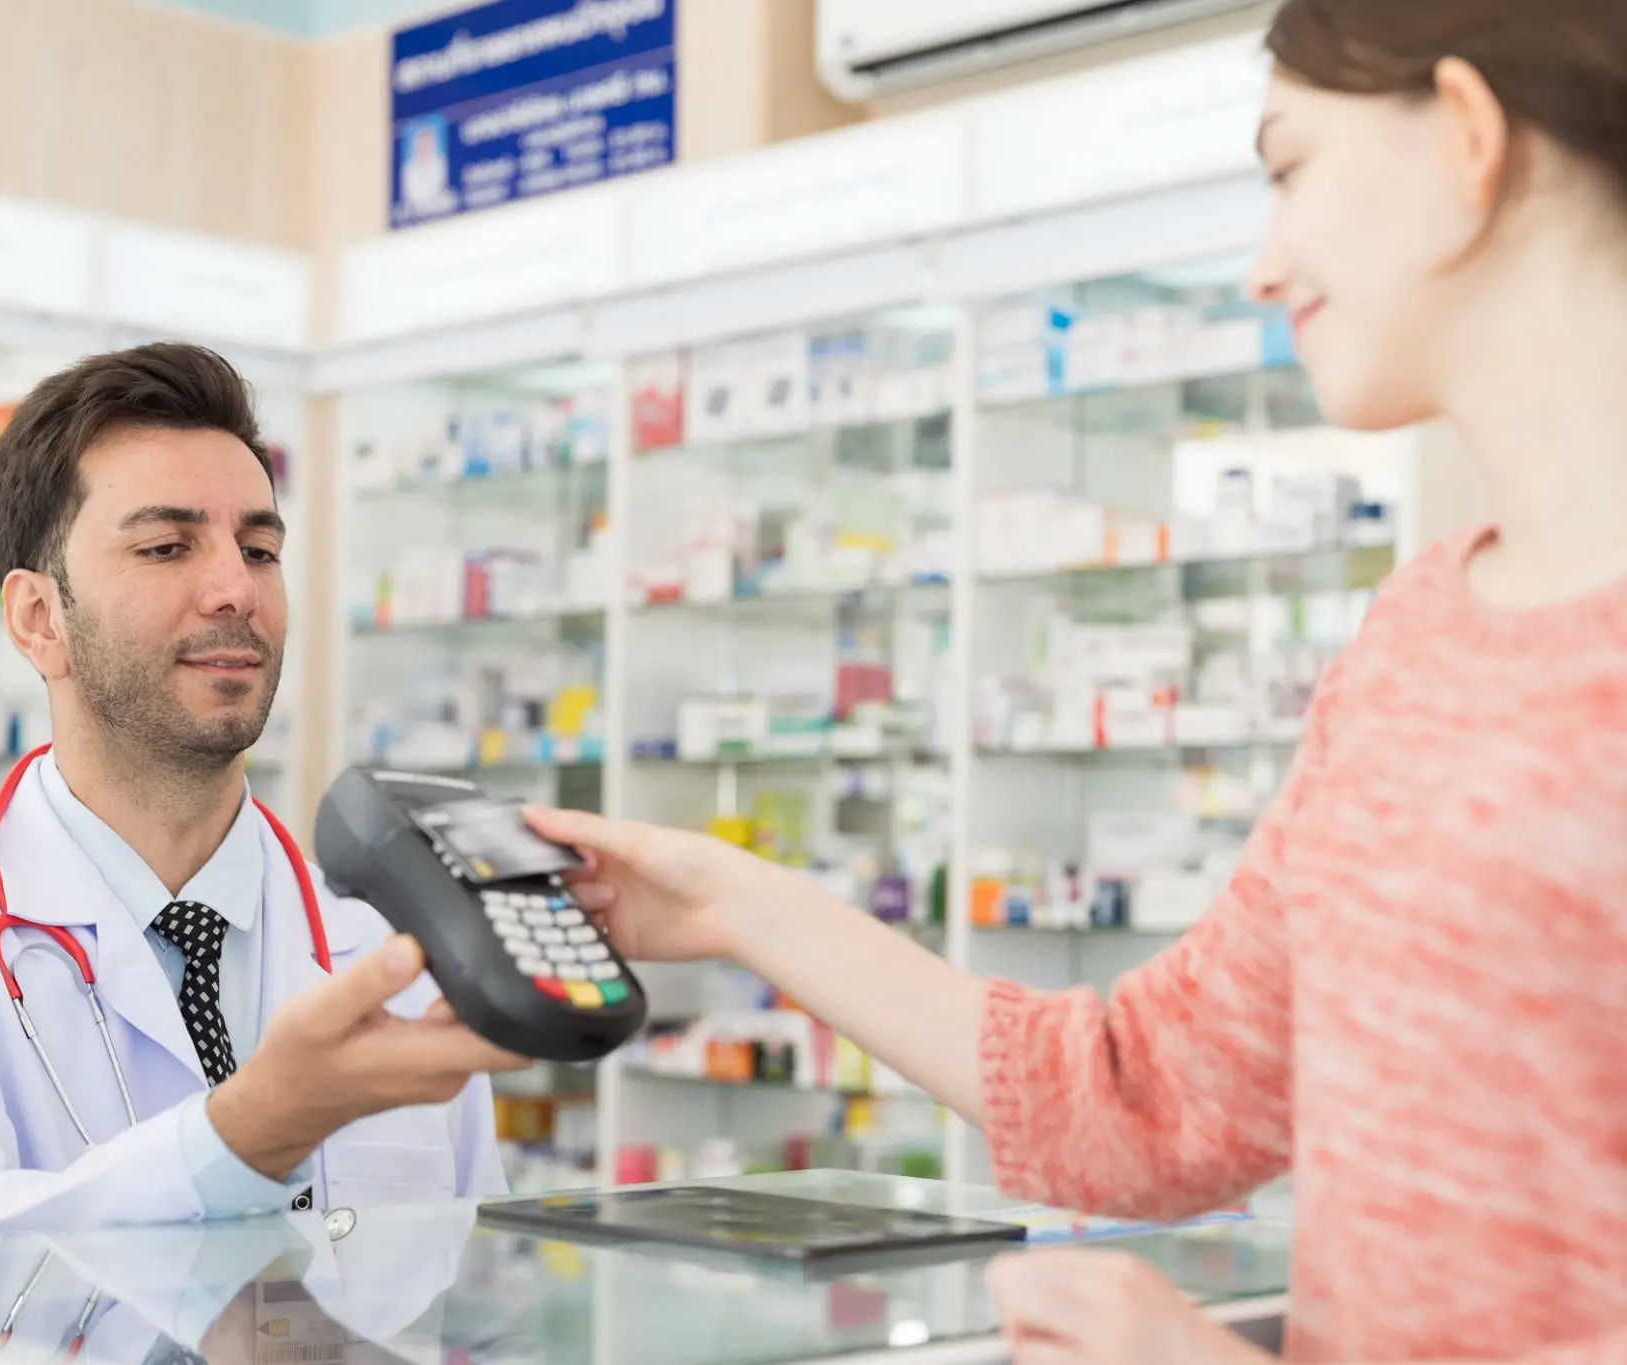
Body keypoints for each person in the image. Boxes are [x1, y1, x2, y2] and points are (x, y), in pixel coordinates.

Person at [529, 2, 1627, 1361]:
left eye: (1289, 169)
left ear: (1469, 133)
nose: (1264, 266)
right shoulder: (1414, 642)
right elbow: (1148, 1099)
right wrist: (734, 902)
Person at [0, 344, 524, 1239]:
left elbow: (473, 1298)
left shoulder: (387, 944)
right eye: (165, 546)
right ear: (38, 619)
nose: (236, 588)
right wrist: (246, 1135)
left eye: (260, 548)